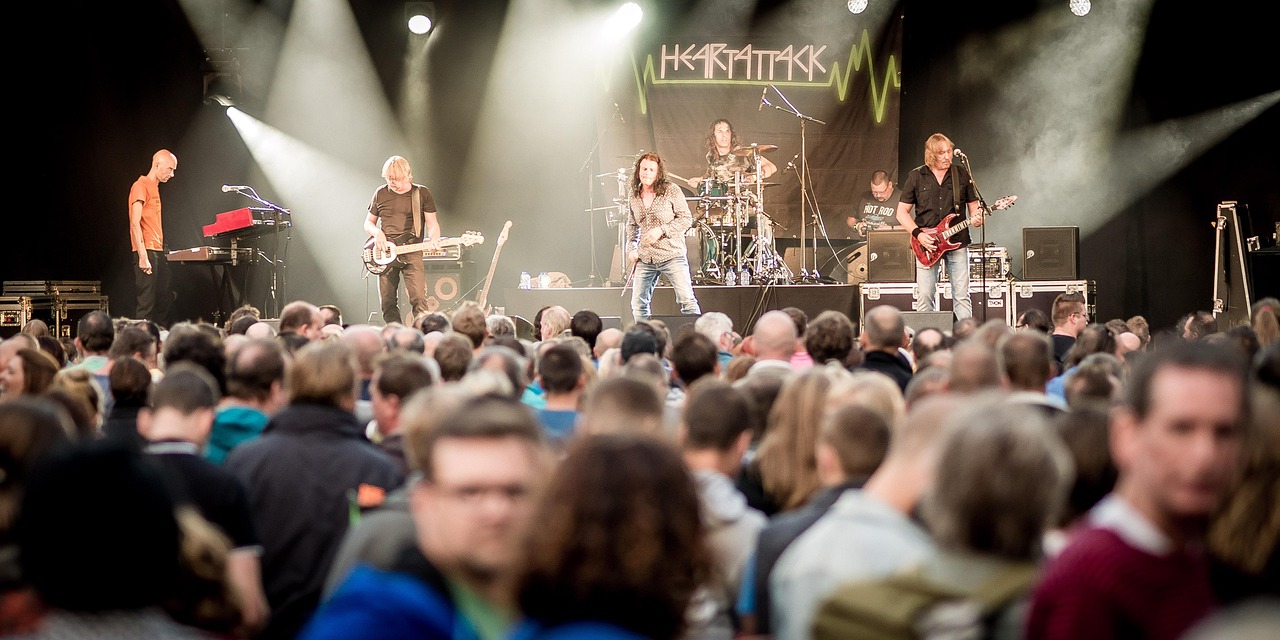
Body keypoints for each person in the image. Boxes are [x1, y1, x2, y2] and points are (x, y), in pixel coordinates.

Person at [1026, 341, 1250, 640]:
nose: (1205, 455)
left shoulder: (1211, 558)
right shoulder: (1087, 583)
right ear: (1127, 434)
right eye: (1181, 428)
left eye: (1225, 432)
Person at [894, 133, 984, 319]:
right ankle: (926, 335)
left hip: (957, 242)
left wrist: (977, 218)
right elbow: (901, 213)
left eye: (949, 151)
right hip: (927, 244)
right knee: (925, 296)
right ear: (931, 154)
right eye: (942, 153)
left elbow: (975, 208)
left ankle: (965, 335)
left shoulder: (961, 174)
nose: (947, 156)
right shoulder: (916, 176)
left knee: (962, 296)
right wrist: (919, 235)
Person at [364, 155, 442, 326]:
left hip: (412, 251)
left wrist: (434, 239)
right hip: (385, 252)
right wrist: (377, 233)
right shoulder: (380, 193)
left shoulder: (421, 193)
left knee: (418, 299)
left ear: (407, 175)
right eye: (390, 179)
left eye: (398, 179)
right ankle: (395, 333)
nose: (394, 183)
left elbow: (432, 223)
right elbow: (368, 222)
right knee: (387, 302)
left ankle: (422, 333)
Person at [625, 151, 701, 322]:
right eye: (644, 169)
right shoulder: (633, 194)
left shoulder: (671, 190)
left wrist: (661, 230)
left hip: (671, 253)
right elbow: (631, 225)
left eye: (651, 170)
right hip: (646, 256)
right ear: (638, 170)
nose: (647, 173)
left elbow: (686, 219)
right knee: (638, 304)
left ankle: (695, 335)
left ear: (658, 172)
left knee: (687, 300)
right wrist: (631, 248)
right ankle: (644, 335)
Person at [129, 149, 178, 326]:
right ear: (157, 165)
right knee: (147, 302)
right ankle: (141, 338)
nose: (172, 174)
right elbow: (135, 223)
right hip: (146, 250)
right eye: (170, 169)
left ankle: (159, 337)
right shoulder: (140, 186)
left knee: (164, 298)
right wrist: (143, 256)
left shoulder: (154, 188)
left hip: (158, 250)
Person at [686, 118, 777, 194]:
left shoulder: (743, 153)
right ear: (712, 136)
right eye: (720, 131)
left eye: (727, 131)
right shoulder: (711, 155)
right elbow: (711, 174)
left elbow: (772, 167)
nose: (724, 135)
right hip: (720, 200)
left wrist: (753, 177)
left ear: (731, 134)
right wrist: (701, 179)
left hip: (741, 200)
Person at [849, 169, 901, 236]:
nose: (878, 195)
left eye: (882, 192)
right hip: (866, 241)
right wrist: (857, 225)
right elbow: (850, 219)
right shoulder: (864, 197)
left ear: (890, 185)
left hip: (892, 241)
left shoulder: (903, 199)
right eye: (875, 192)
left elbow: (912, 227)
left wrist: (891, 228)